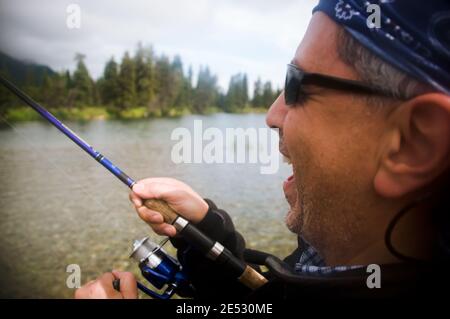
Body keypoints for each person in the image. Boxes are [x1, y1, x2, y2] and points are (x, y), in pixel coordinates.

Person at [75, 0, 450, 299]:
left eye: (296, 84)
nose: (272, 115)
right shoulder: (329, 266)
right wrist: (204, 228)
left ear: (414, 143)